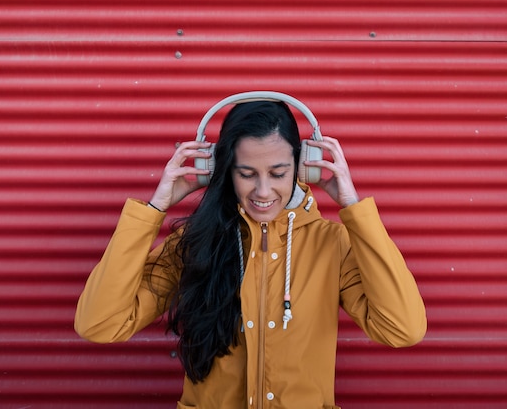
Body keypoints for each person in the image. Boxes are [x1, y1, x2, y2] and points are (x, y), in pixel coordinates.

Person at [74, 95, 427, 409]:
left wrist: (353, 208)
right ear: (224, 170)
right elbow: (100, 325)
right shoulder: (195, 242)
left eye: (278, 173)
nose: (263, 190)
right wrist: (154, 209)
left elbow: (402, 329)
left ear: (303, 167)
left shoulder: (331, 244)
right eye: (246, 173)